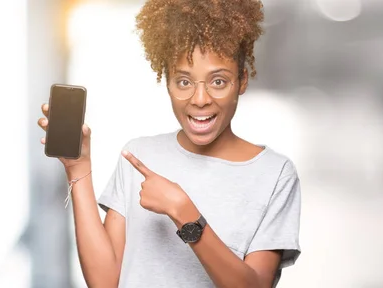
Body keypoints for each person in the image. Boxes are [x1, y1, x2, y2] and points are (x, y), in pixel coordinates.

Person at [36, 0, 301, 287]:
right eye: (184, 82)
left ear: (242, 80)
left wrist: (185, 214)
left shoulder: (275, 174)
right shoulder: (139, 156)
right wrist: (78, 169)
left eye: (219, 82)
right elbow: (104, 281)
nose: (200, 99)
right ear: (167, 83)